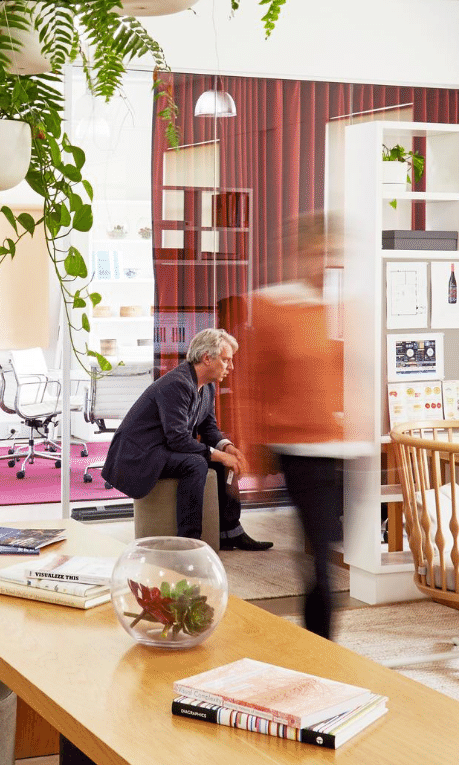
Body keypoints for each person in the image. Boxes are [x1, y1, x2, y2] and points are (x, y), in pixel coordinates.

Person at [241, 214, 352, 638]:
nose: (325, 261)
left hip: (343, 445)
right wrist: (251, 456)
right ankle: (323, 647)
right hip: (300, 449)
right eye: (317, 252)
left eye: (332, 252)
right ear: (299, 255)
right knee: (320, 558)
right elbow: (253, 384)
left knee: (324, 551)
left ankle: (323, 641)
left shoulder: (343, 305)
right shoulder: (274, 305)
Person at [100, 327, 273, 551]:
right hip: (140, 454)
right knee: (196, 463)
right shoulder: (177, 384)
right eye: (226, 360)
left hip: (164, 448)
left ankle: (231, 532)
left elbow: (208, 427)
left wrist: (227, 447)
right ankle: (189, 541)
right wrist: (219, 455)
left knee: (227, 462)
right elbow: (178, 438)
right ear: (207, 358)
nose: (231, 367)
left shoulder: (207, 386)